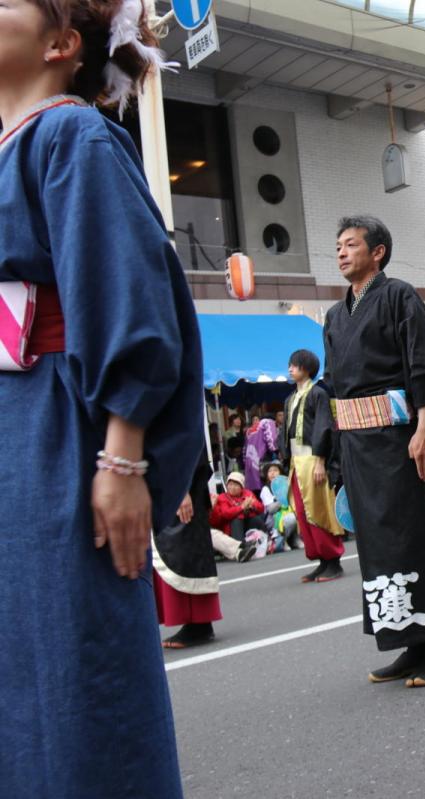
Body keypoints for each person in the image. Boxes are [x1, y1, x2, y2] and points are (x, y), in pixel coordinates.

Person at [0, 3, 206, 795]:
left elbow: (132, 301)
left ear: (62, 43)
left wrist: (122, 457)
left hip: (56, 434)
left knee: (77, 667)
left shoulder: (73, 135)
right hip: (13, 437)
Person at [324, 214, 425, 687]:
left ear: (377, 251)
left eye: (350, 244)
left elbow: (424, 364)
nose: (341, 252)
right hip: (358, 446)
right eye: (337, 246)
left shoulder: (399, 295)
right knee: (378, 546)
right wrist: (332, 452)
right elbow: (333, 386)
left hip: (399, 439)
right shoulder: (335, 315)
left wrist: (424, 428)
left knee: (409, 536)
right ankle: (406, 642)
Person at [281, 349, 346, 582]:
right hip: (296, 463)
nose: (290, 368)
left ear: (306, 368)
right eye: (290, 365)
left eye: (294, 365)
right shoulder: (290, 399)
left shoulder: (318, 394)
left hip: (313, 460)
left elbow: (323, 426)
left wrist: (320, 461)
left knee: (320, 510)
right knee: (304, 511)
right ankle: (321, 561)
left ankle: (333, 561)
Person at [154, 455, 223, 649]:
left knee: (186, 552)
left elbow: (188, 444)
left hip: (182, 484)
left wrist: (182, 489)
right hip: (166, 485)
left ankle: (199, 622)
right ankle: (195, 623)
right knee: (176, 551)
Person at [260, 460, 300, 549]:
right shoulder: (265, 489)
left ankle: (295, 538)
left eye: (275, 470)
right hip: (274, 520)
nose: (272, 473)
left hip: (289, 513)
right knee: (291, 518)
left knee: (299, 513)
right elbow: (271, 509)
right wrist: (282, 499)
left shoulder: (287, 486)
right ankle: (283, 539)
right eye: (270, 471)